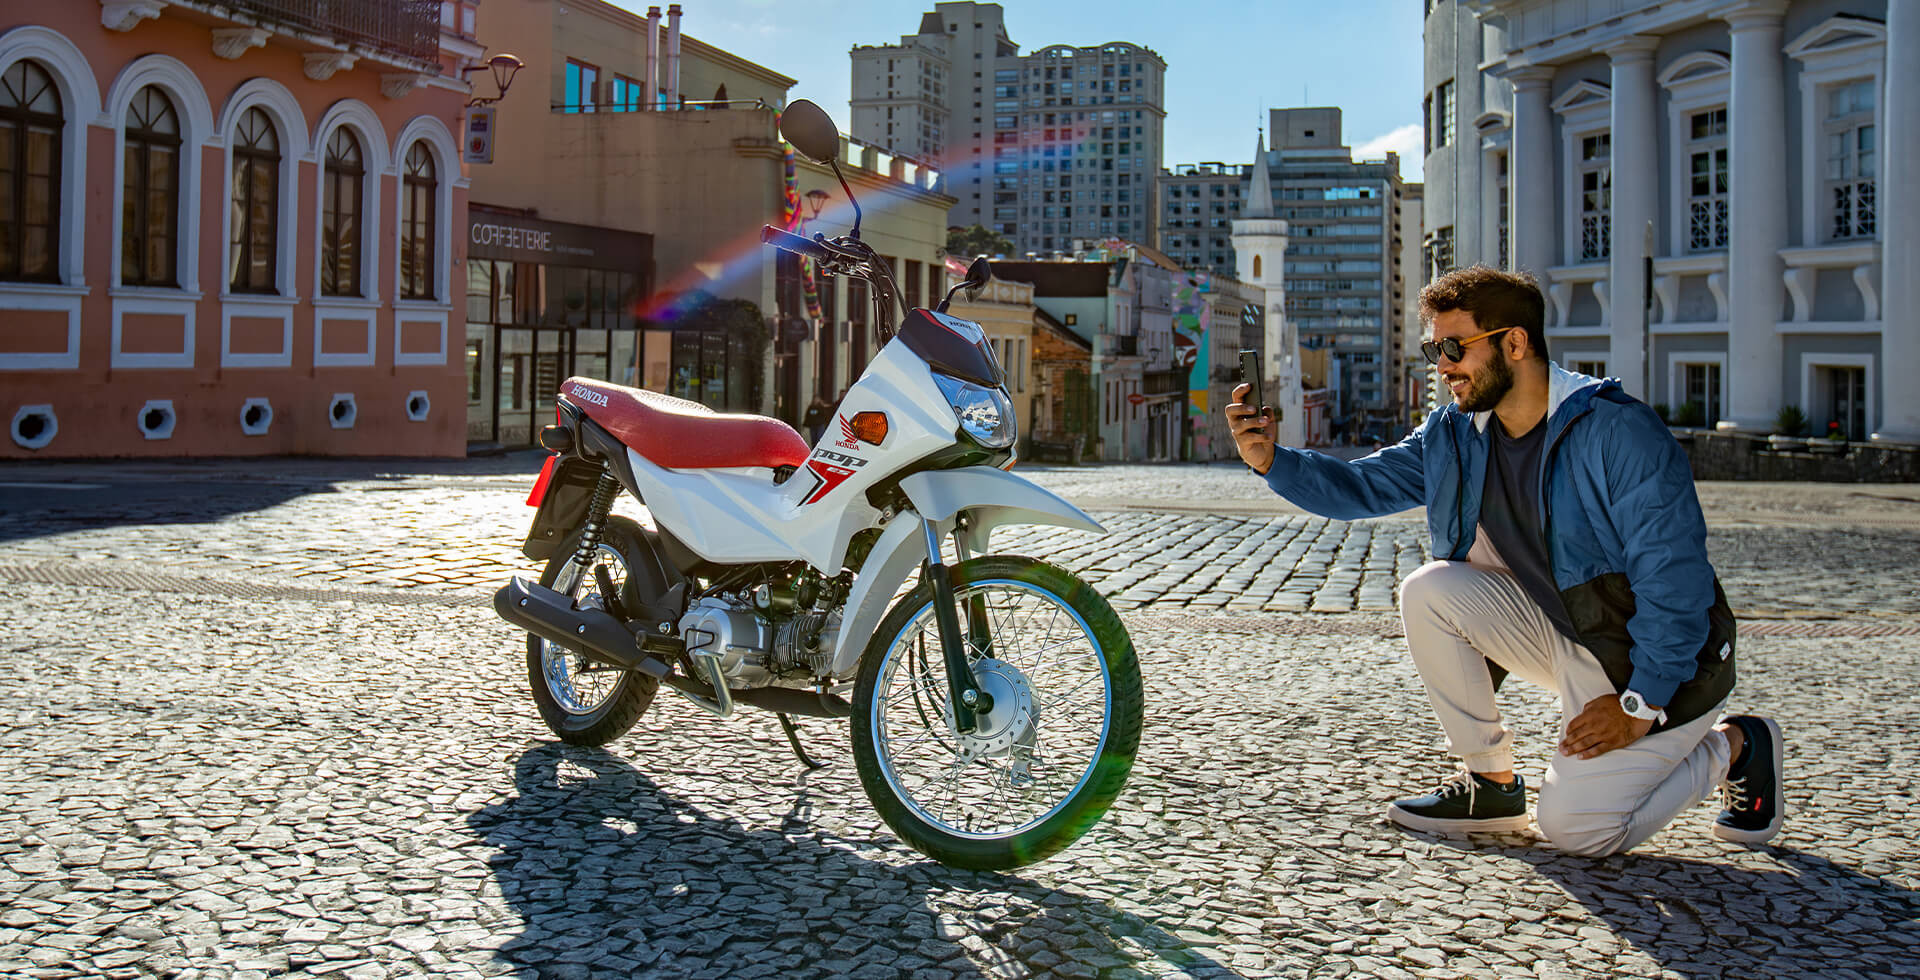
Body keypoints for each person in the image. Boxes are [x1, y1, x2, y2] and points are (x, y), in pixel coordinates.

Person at [1224, 266, 1783, 856]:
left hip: (1660, 665)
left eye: (1453, 347)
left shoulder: (1617, 432)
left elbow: (1676, 582)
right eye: (1432, 349)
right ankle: (1490, 784)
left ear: (1514, 343)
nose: (1442, 367)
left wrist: (1639, 705)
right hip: (1565, 634)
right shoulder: (1456, 433)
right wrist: (1270, 460)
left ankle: (1736, 746)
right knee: (1429, 589)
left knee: (1578, 831)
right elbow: (1362, 486)